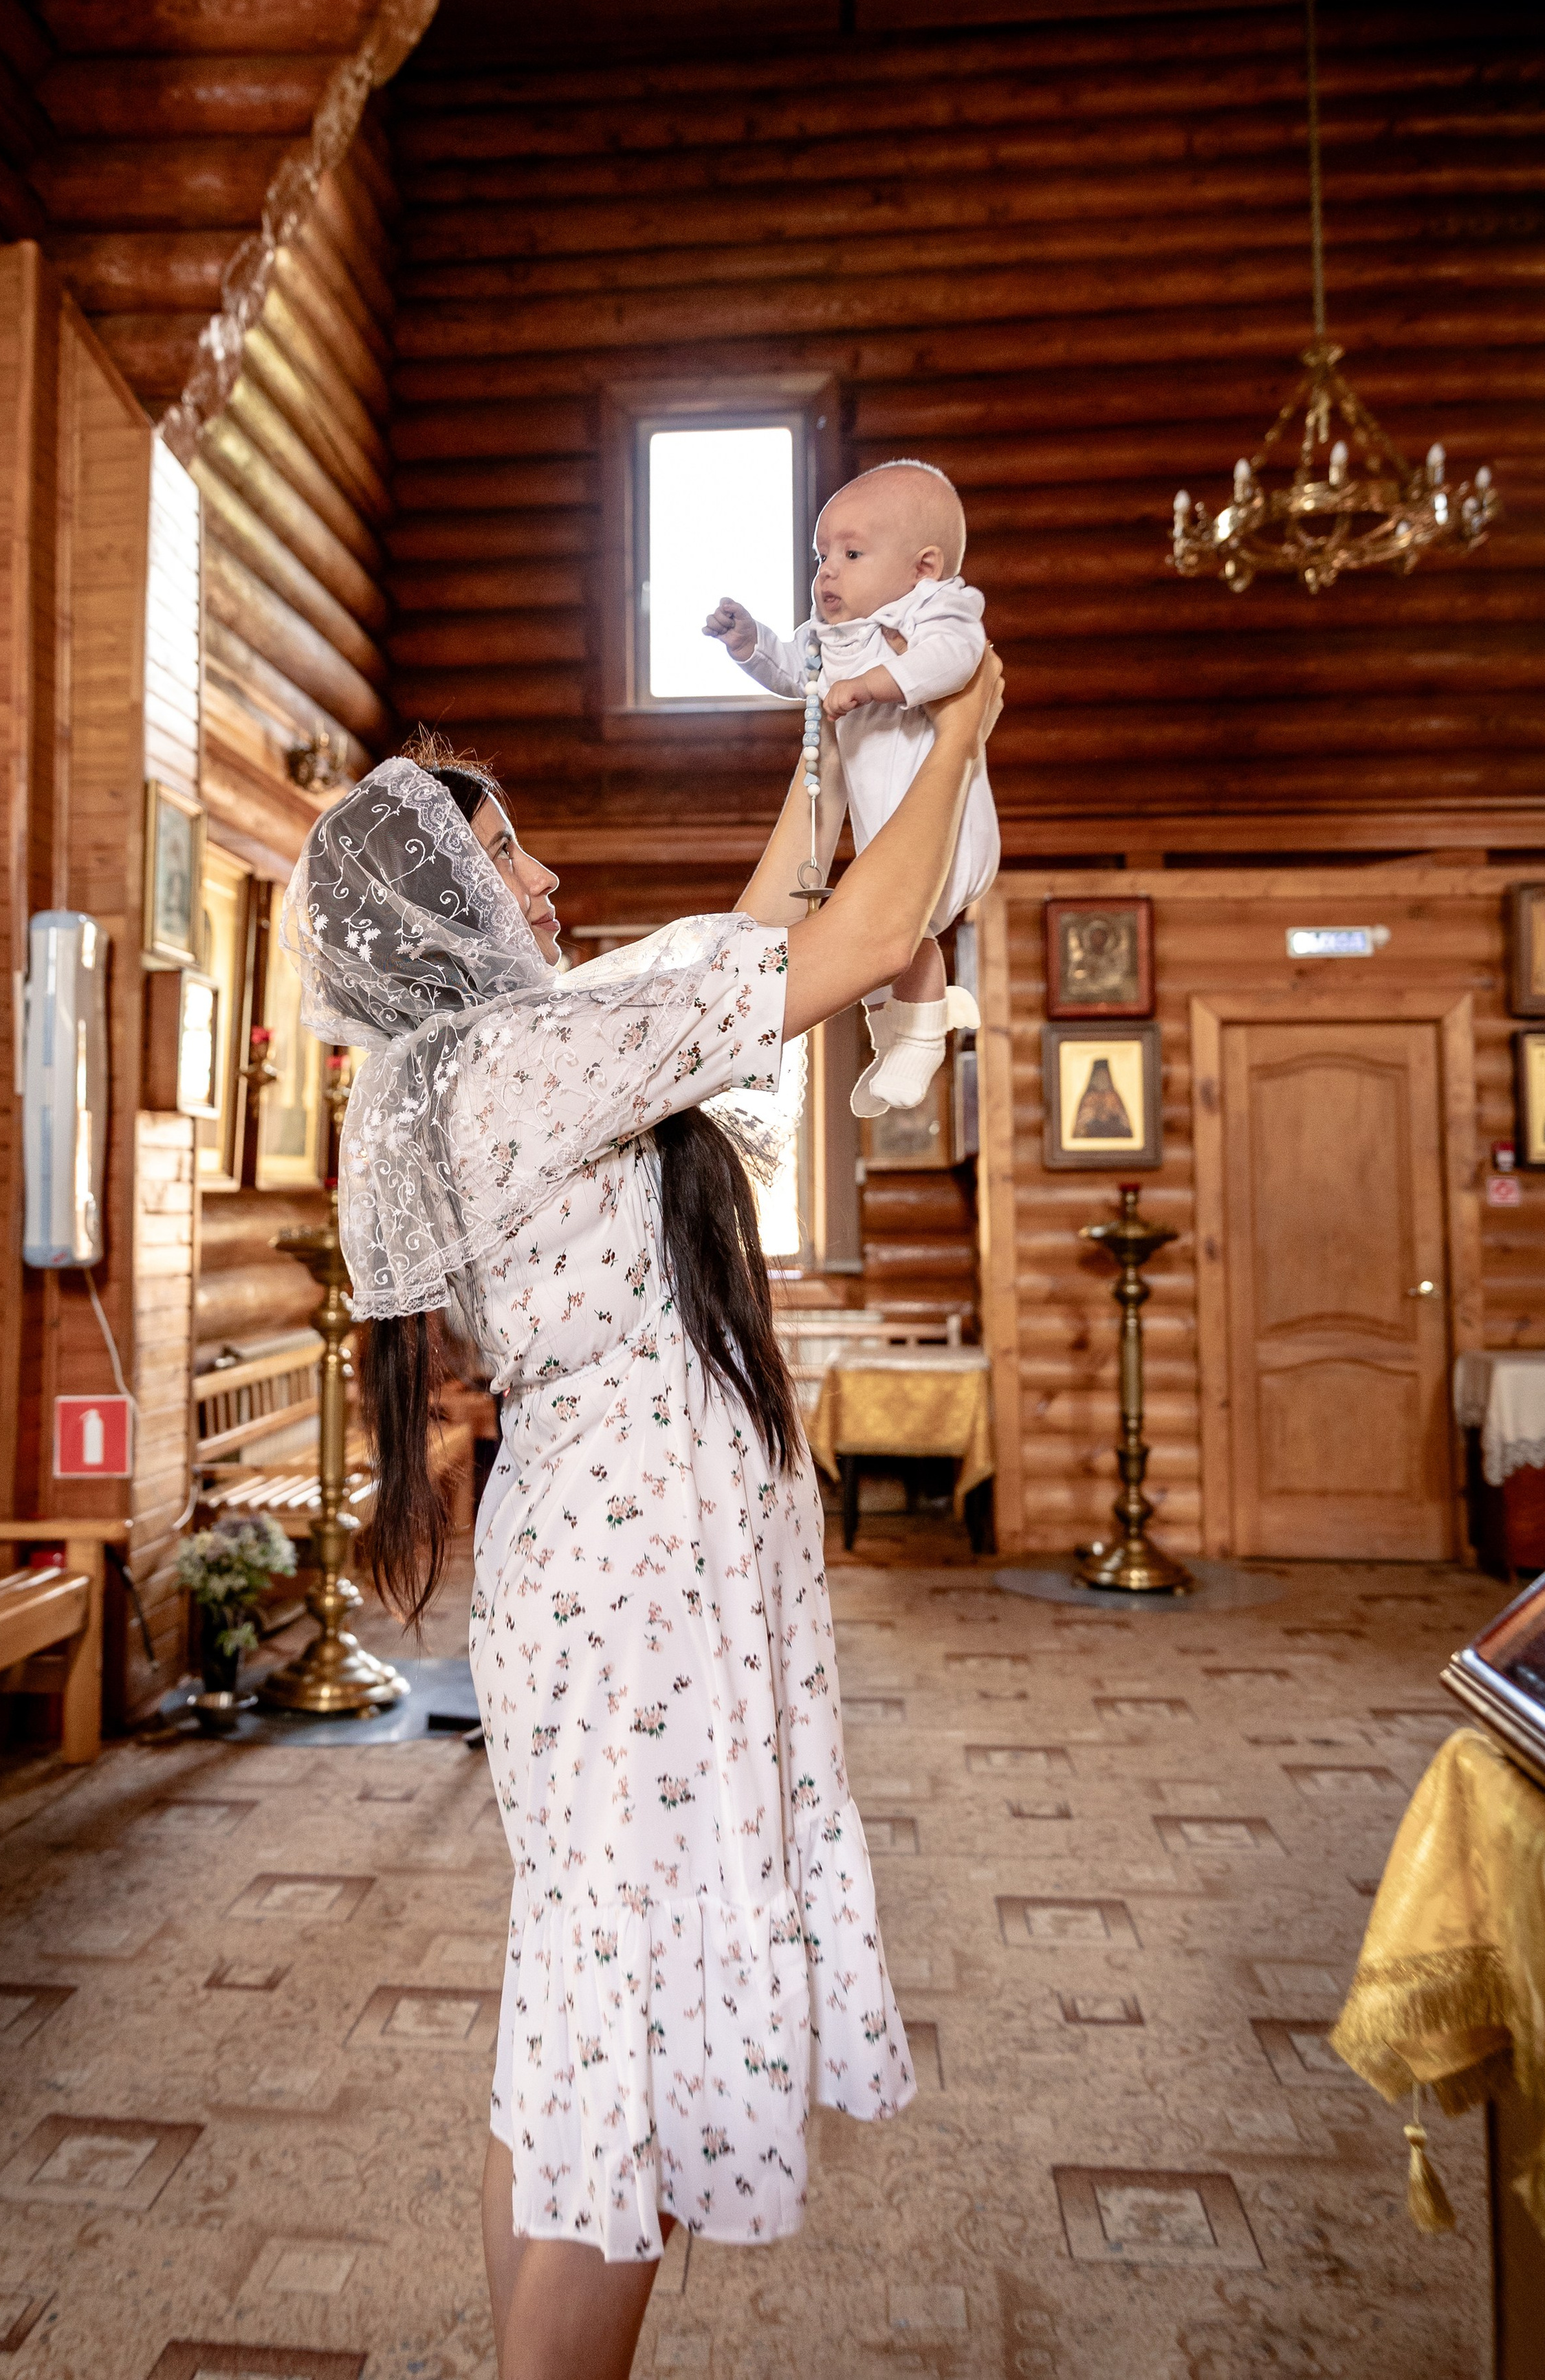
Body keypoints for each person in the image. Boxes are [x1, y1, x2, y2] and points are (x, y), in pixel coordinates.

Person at [281, 655, 1002, 2380]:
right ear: (439, 900)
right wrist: (965, 716)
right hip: (632, 1569)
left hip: (612, 1543)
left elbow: (735, 942)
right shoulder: (531, 1059)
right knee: (642, 2023)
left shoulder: (503, 1054)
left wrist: (821, 761)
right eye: (503, 852)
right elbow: (839, 941)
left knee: (581, 2006)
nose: (542, 877)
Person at [703, 458, 1000, 1117]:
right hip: (883, 826)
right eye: (821, 555)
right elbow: (793, 672)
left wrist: (871, 687)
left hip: (945, 824)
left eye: (852, 553)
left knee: (899, 924)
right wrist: (752, 646)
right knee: (870, 930)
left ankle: (918, 1041)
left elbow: (958, 660)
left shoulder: (938, 611)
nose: (826, 571)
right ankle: (895, 1042)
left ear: (923, 568)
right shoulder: (833, 638)